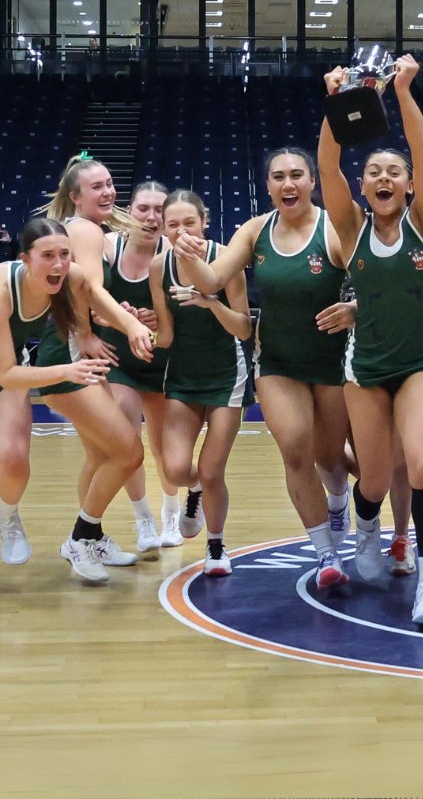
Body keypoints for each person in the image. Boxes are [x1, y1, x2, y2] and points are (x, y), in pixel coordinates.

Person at [171, 150, 354, 588]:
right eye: (278, 177)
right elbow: (212, 281)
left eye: (296, 175)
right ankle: (326, 554)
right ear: (267, 185)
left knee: (329, 458)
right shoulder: (255, 231)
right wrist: (188, 252)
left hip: (331, 363)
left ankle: (340, 496)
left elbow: (377, 280)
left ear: (313, 181)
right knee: (295, 448)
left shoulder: (333, 229)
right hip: (277, 363)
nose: (288, 184)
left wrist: (356, 307)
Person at [317, 53, 423, 628]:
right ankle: (366, 529)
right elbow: (327, 165)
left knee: (421, 466)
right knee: (372, 479)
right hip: (364, 367)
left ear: (410, 186)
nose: (384, 178)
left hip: (418, 363)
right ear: (364, 187)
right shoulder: (351, 230)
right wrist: (336, 103)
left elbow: (422, 153)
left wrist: (401, 92)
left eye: (393, 172)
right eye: (374, 172)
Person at [0, 219, 114, 590]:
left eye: (65, 254)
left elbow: (100, 302)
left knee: (14, 462)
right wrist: (69, 369)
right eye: (48, 255)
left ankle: (8, 515)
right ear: (25, 259)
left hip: (9, 371)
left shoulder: (63, 277)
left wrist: (138, 326)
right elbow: (5, 374)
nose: (60, 263)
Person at [36, 154, 157, 582]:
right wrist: (86, 333)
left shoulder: (87, 230)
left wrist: (108, 316)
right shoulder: (84, 229)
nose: (107, 192)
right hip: (69, 352)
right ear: (74, 197)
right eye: (96, 187)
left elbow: (88, 291)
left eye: (109, 184)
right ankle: (80, 537)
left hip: (71, 347)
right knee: (128, 450)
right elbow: (78, 285)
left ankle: (94, 537)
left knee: (99, 454)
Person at [150, 190, 252, 576]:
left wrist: (210, 301)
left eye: (188, 222)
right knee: (176, 471)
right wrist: (130, 326)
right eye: (172, 224)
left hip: (227, 374)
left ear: (204, 222)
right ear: (163, 228)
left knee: (212, 472)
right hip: (183, 374)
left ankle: (215, 546)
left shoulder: (227, 259)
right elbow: (167, 335)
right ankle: (193, 492)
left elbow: (243, 328)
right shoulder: (159, 267)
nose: (181, 231)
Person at [96, 181, 183, 549]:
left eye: (160, 210)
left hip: (163, 360)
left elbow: (188, 315)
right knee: (127, 441)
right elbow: (90, 304)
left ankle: (171, 512)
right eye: (143, 208)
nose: (151, 217)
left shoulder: (176, 253)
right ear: (128, 211)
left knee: (166, 448)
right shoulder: (107, 247)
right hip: (120, 362)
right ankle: (143, 519)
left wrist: (160, 320)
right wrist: (120, 318)